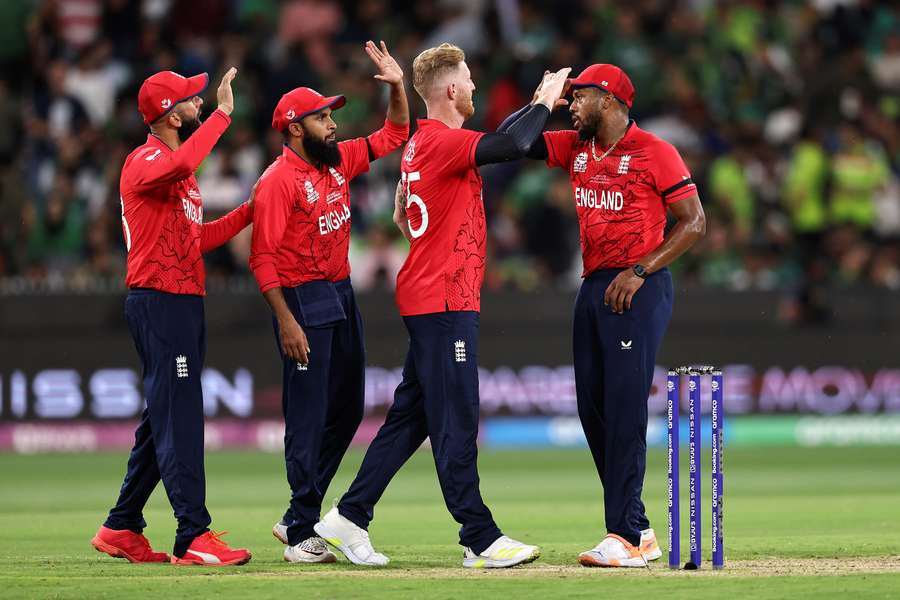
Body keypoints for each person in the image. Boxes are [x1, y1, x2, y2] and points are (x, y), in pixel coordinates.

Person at [313, 43, 570, 569]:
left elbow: (501, 139)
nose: (475, 87)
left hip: (434, 295)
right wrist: (542, 101)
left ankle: (348, 517)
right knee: (456, 418)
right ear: (451, 89)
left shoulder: (424, 143)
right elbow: (514, 145)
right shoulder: (442, 143)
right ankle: (479, 535)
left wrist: (535, 104)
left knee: (412, 419)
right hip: (443, 299)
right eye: (470, 80)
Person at [502, 63, 706, 567]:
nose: (572, 106)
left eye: (578, 97)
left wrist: (641, 269)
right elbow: (509, 143)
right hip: (593, 285)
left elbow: (694, 223)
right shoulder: (577, 146)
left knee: (623, 406)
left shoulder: (655, 151)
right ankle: (637, 527)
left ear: (610, 100)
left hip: (639, 284)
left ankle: (624, 537)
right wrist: (541, 102)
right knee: (591, 409)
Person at [248, 41, 409, 564]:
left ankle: (300, 510)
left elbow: (395, 135)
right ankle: (300, 531)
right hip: (300, 296)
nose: (333, 124)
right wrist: (286, 321)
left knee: (346, 408)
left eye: (331, 116)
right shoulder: (277, 182)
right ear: (296, 127)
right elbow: (262, 258)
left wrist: (398, 87)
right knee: (308, 413)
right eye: (322, 118)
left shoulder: (336, 162)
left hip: (339, 291)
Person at [91, 68, 254, 566]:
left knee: (162, 415)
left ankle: (121, 525)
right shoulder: (146, 160)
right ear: (168, 112)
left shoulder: (170, 168)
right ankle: (193, 535)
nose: (199, 101)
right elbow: (186, 160)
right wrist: (224, 114)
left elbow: (195, 240)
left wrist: (252, 209)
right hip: (160, 300)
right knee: (179, 414)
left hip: (180, 297)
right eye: (190, 97)